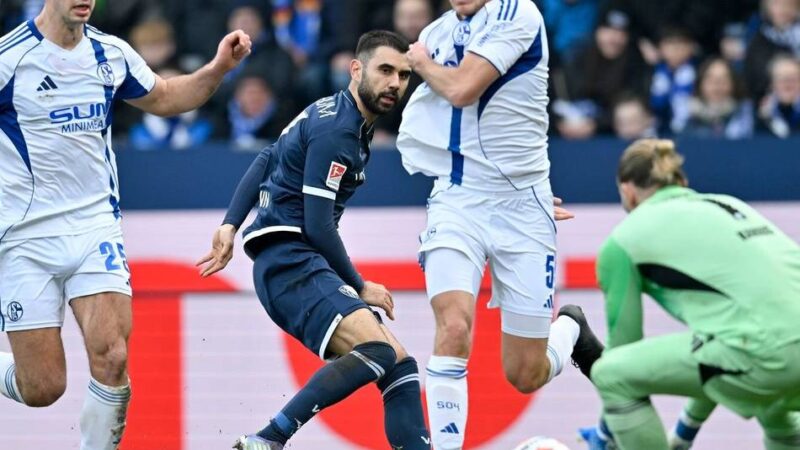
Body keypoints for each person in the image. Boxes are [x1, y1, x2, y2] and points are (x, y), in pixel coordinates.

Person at [0, 1, 252, 449]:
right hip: (25, 238)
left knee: (113, 356)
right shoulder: (10, 58)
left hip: (94, 225)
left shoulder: (110, 52)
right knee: (43, 387)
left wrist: (218, 68)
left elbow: (167, 96)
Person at [196, 30, 431, 450]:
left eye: (403, 75)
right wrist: (360, 285)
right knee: (378, 351)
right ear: (355, 69)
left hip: (292, 261)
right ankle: (269, 438)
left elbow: (267, 156)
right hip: (291, 262)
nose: (395, 83)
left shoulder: (333, 112)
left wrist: (231, 223)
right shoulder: (339, 130)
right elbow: (319, 225)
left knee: (399, 366)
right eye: (384, 70)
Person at [397, 1, 602, 448]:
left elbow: (462, 89)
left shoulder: (518, 13)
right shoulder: (437, 32)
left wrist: (422, 62)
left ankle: (570, 327)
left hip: (524, 209)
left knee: (525, 373)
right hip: (458, 199)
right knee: (453, 326)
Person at [585, 139, 800, 450]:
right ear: (682, 182)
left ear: (627, 191)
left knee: (609, 374)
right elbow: (714, 352)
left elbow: (622, 352)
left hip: (768, 354)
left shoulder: (621, 242)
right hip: (776, 353)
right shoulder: (729, 205)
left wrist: (607, 433)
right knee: (775, 410)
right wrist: (685, 433)